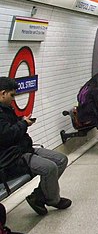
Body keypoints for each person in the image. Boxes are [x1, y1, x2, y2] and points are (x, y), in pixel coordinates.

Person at [0, 77, 71, 216]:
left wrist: (21, 122)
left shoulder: (6, 109)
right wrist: (23, 124)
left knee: (61, 160)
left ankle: (38, 196)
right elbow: (6, 136)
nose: (13, 99)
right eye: (12, 95)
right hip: (10, 159)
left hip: (22, 150)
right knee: (50, 168)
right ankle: (53, 200)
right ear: (3, 93)